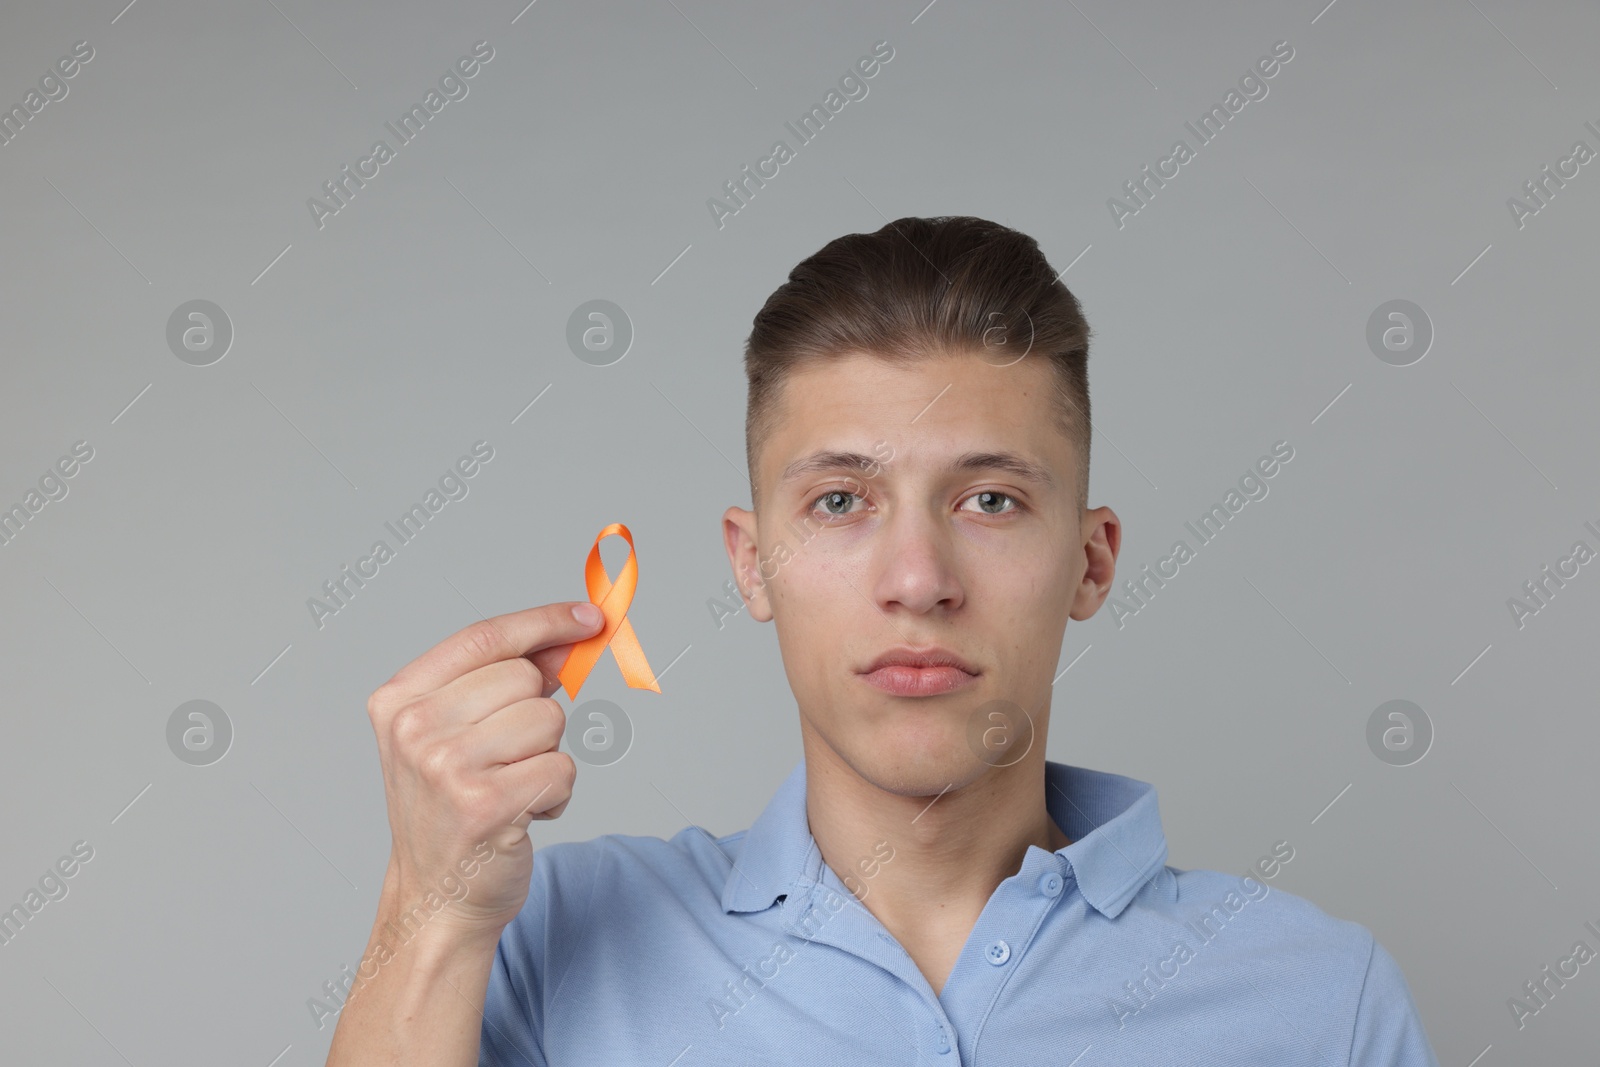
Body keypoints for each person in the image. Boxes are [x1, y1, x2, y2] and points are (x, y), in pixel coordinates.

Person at [325, 216, 1440, 1065]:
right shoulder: (542, 939)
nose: (918, 581)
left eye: (991, 500)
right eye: (841, 502)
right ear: (750, 562)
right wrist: (423, 906)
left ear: (1090, 561)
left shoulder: (1320, 998)